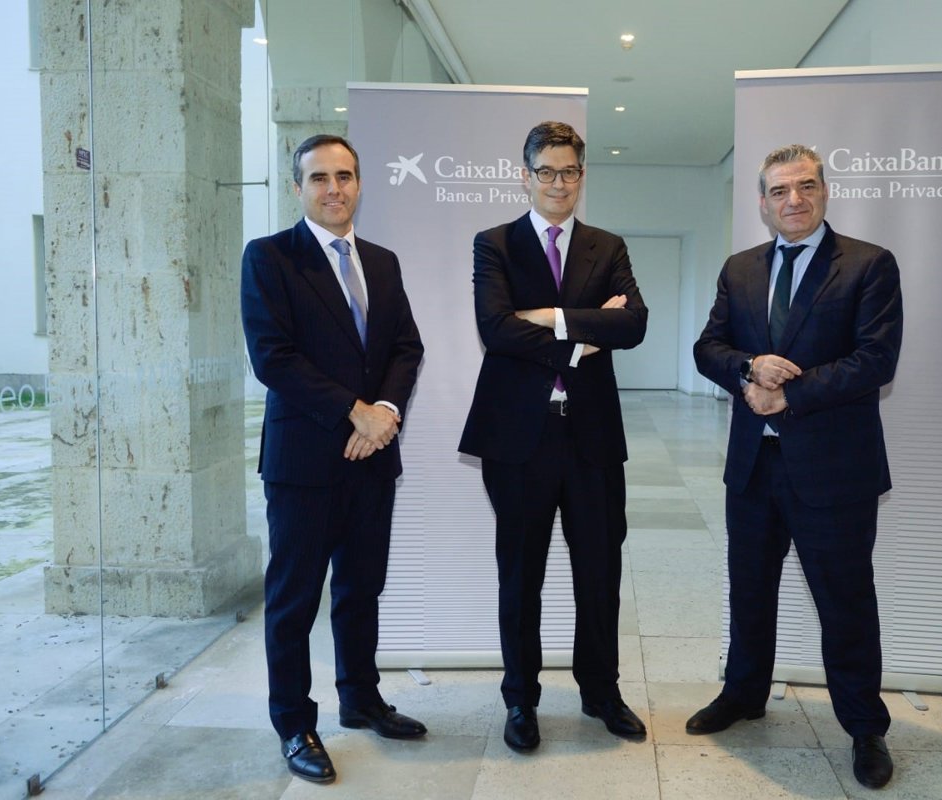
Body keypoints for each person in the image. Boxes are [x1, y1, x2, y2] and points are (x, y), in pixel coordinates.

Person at [692, 144, 902, 789]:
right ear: (762, 202)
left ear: (824, 191)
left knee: (845, 600)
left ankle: (864, 726)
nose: (795, 200)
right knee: (749, 589)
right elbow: (708, 348)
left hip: (834, 470)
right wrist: (747, 368)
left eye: (806, 185)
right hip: (754, 466)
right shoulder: (740, 269)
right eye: (780, 190)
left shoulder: (867, 264)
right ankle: (743, 694)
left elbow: (876, 360)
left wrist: (789, 394)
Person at [459, 121, 649, 752]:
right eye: (546, 171)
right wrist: (585, 336)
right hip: (518, 440)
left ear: (582, 176)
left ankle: (601, 692)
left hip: (592, 438)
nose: (558, 183)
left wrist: (549, 317)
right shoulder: (495, 244)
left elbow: (635, 325)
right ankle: (521, 699)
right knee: (521, 576)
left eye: (569, 172)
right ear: (526, 176)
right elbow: (496, 328)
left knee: (600, 571)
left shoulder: (606, 246)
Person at [241, 134, 425, 784]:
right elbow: (274, 358)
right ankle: (294, 724)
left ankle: (361, 699)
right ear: (298, 188)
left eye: (344, 176)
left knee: (360, 589)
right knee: (294, 601)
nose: (333, 188)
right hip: (303, 464)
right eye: (319, 177)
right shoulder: (270, 257)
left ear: (360, 184)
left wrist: (386, 414)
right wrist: (356, 411)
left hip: (372, 458)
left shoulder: (382, 261)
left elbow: (406, 347)